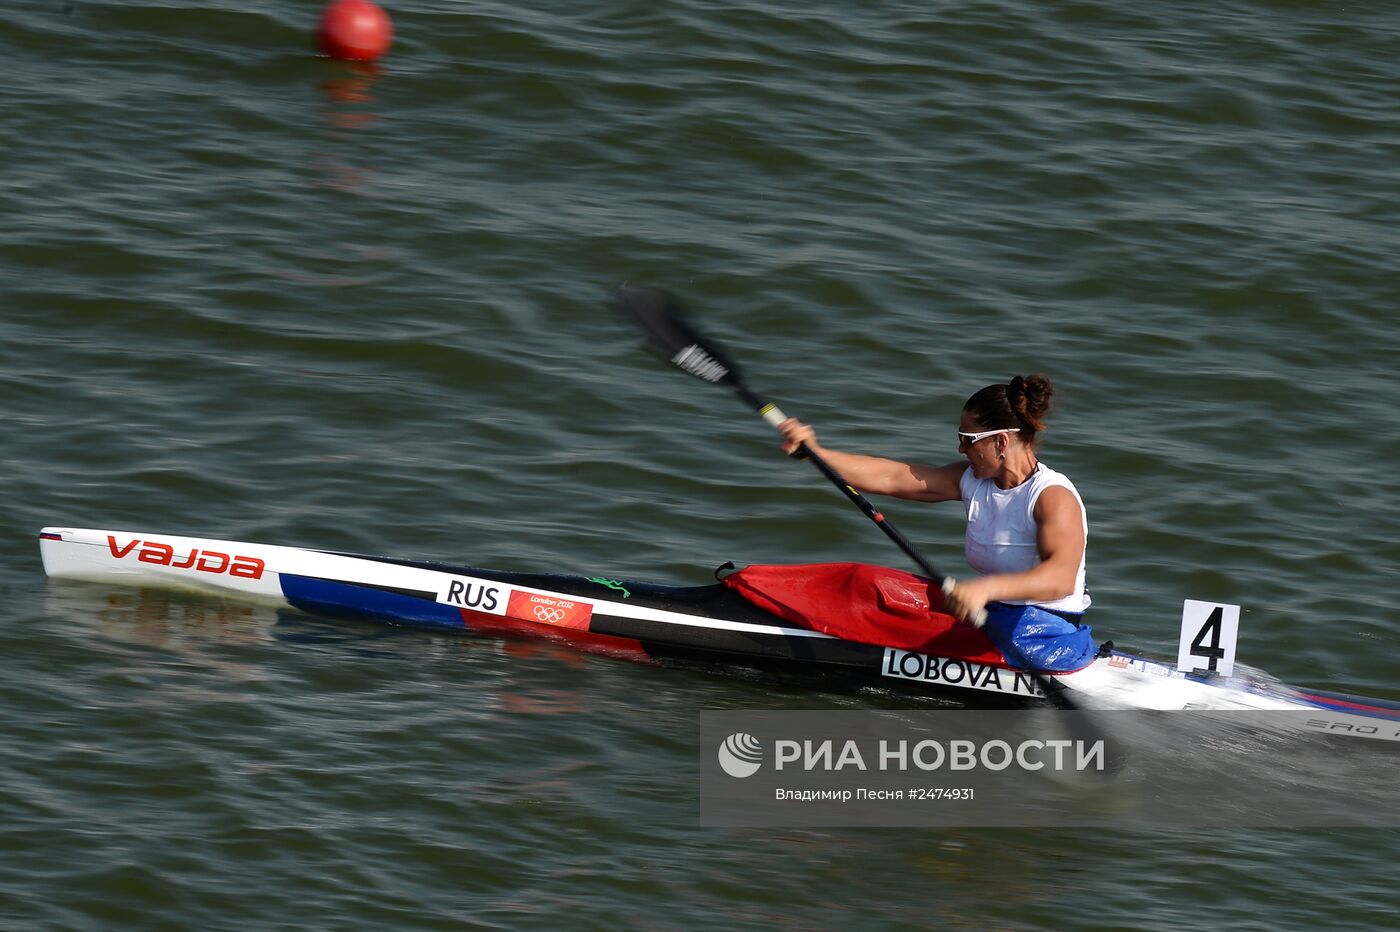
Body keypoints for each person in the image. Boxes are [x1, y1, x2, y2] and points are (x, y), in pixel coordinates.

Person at [777, 374, 1095, 672]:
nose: (960, 448)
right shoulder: (971, 479)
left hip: (1043, 629)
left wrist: (983, 589)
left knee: (900, 624)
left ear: (1000, 442)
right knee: (868, 583)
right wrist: (817, 454)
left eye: (967, 439)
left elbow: (1060, 579)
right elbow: (894, 477)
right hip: (991, 612)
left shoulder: (1051, 496)